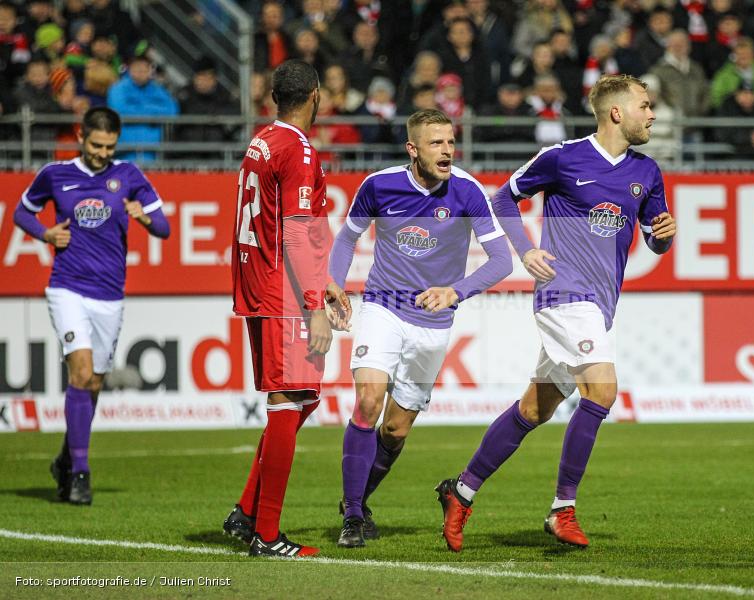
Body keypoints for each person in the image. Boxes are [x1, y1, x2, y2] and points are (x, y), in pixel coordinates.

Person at [436, 74, 677, 552]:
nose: (652, 115)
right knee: (602, 390)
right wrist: (525, 250)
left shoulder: (647, 172)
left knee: (534, 408)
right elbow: (502, 198)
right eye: (645, 106)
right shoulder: (563, 157)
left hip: (599, 305)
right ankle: (562, 508)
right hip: (563, 296)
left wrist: (663, 237)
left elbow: (654, 236)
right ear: (616, 112)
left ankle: (459, 492)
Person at [329, 108, 512, 548]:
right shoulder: (378, 185)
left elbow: (503, 261)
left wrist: (456, 291)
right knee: (369, 400)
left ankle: (358, 501)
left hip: (433, 323)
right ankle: (353, 517)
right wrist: (335, 284)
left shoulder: (467, 191)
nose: (447, 150)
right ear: (413, 149)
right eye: (436, 143)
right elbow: (346, 237)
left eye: (450, 141)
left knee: (395, 430)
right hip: (382, 308)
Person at [222, 59, 351, 559]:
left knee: (303, 396)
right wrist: (315, 303)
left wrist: (327, 282)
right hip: (281, 291)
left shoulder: (262, 140)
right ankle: (267, 534)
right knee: (288, 401)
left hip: (264, 282)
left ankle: (248, 511)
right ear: (315, 95)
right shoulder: (296, 148)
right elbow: (297, 231)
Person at [13, 107, 171, 505]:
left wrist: (145, 218)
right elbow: (21, 212)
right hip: (67, 287)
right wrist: (46, 233)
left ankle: (66, 458)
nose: (102, 153)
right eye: (96, 145)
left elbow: (165, 227)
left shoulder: (129, 176)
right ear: (81, 137)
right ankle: (81, 472)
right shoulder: (55, 174)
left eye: (109, 147)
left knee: (95, 383)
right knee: (81, 372)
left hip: (110, 294)